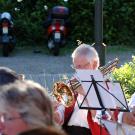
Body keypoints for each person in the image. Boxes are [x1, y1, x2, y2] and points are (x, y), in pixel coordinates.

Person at [54, 43, 104, 135]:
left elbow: (100, 118)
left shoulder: (105, 85)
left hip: (90, 132)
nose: (78, 71)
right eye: (76, 67)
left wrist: (86, 93)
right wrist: (53, 112)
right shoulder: (74, 81)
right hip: (67, 130)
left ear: (94, 64)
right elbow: (63, 112)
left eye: (81, 66)